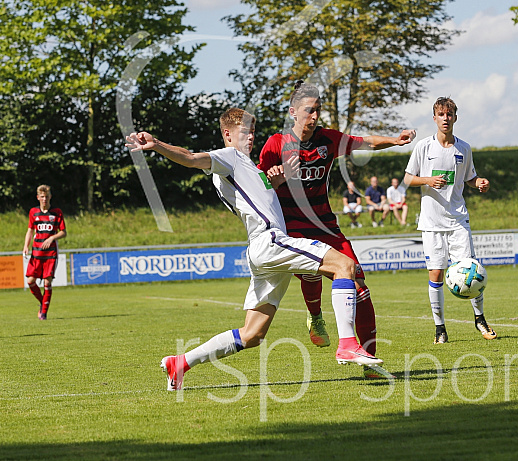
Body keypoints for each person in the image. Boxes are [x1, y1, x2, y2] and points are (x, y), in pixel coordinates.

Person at [125, 108, 382, 391]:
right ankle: (347, 344)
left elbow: (260, 195)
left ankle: (181, 362)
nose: (251, 137)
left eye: (253, 132)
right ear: (227, 134)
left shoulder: (248, 167)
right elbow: (190, 157)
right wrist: (157, 144)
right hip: (270, 241)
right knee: (344, 265)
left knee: (252, 334)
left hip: (263, 252)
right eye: (244, 132)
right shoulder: (230, 157)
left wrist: (280, 178)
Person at [258, 80, 415, 379]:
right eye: (308, 111)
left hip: (325, 224)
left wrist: (395, 140)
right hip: (291, 227)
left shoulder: (327, 140)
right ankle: (315, 316)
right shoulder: (276, 144)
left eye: (318, 111)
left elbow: (364, 142)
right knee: (309, 274)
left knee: (360, 287)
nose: (314, 117)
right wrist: (273, 177)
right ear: (293, 112)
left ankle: (369, 360)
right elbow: (258, 185)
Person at [403, 97, 497, 344]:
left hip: (457, 220)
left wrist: (480, 183)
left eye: (450, 114)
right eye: (441, 114)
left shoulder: (464, 148)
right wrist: (427, 181)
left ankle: (480, 319)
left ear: (455, 117)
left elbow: (470, 178)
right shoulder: (424, 147)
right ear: (434, 118)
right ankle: (440, 328)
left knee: (471, 270)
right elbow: (407, 179)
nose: (446, 118)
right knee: (436, 274)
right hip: (432, 222)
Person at [23, 185, 66, 320]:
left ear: (50, 197)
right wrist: (26, 245)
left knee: (47, 283)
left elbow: (63, 232)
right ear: (38, 197)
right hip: (36, 253)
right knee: (30, 281)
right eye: (42, 197)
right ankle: (43, 303)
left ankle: (44, 313)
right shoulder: (33, 212)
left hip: (50, 254)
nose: (44, 199)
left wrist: (52, 237)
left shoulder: (57, 212)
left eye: (46, 196)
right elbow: (30, 230)